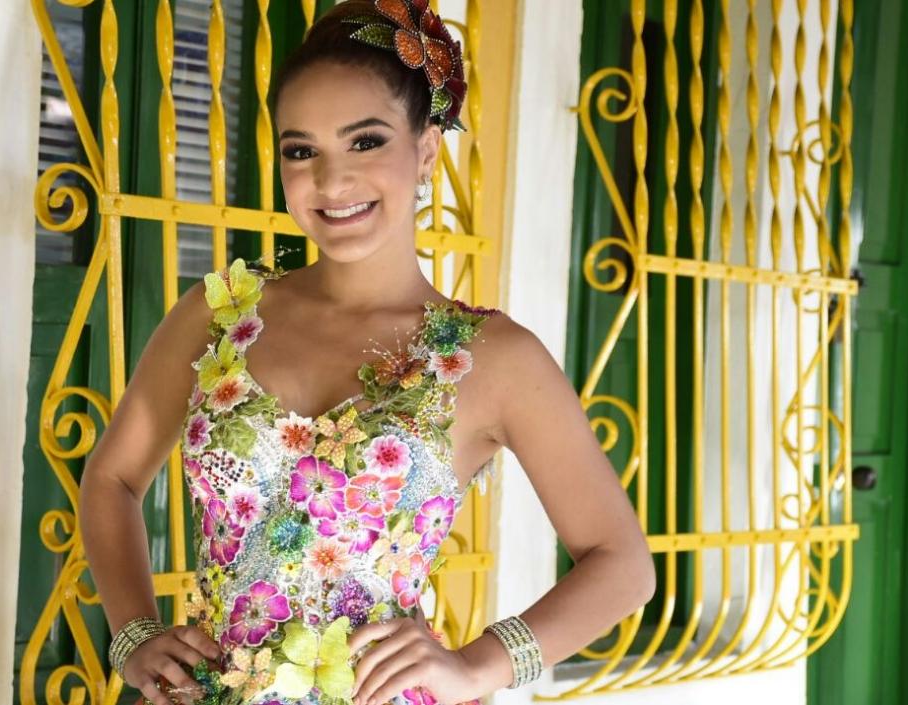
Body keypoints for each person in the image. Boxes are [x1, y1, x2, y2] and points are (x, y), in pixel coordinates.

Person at [78, 2, 655, 705]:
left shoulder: (492, 357)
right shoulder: (221, 315)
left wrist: (478, 664)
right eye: (301, 150)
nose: (330, 180)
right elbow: (111, 479)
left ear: (427, 152)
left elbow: (623, 564)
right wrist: (134, 633)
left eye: (365, 141)